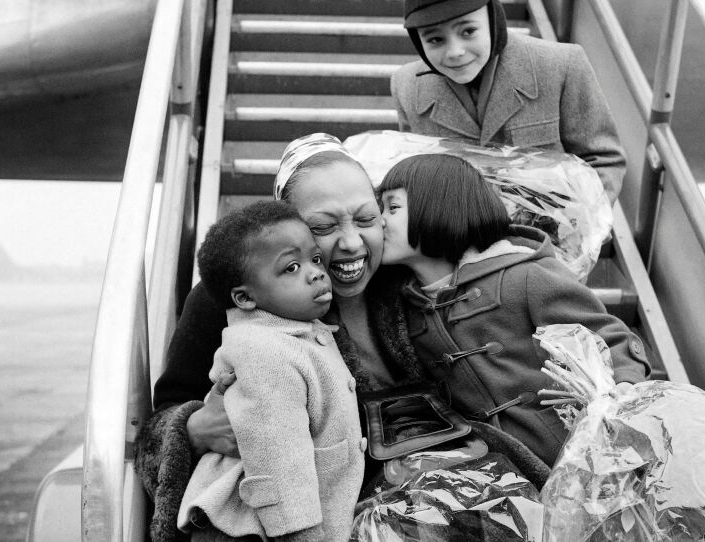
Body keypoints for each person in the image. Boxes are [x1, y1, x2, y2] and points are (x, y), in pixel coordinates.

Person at [135, 133, 553, 542]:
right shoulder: (234, 299)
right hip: (323, 506)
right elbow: (163, 417)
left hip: (443, 481)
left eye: (367, 219)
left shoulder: (407, 272)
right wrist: (191, 428)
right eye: (322, 226)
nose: (352, 243)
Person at [376, 153, 650, 466]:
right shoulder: (404, 311)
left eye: (393, 207)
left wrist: (620, 395)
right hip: (499, 477)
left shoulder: (526, 276)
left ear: (438, 206)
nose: (380, 219)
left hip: (580, 457)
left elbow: (610, 338)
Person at [176, 201, 363, 541]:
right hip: (251, 528)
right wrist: (303, 536)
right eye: (291, 267)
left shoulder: (293, 332)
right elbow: (280, 464)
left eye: (315, 259)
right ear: (245, 298)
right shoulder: (264, 353)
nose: (316, 272)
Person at [391, 0, 627, 203]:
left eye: (468, 31)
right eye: (435, 39)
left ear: (494, 20)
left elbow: (603, 160)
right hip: (455, 248)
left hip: (548, 246)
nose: (455, 51)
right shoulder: (406, 86)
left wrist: (579, 232)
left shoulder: (560, 65)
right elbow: (414, 176)